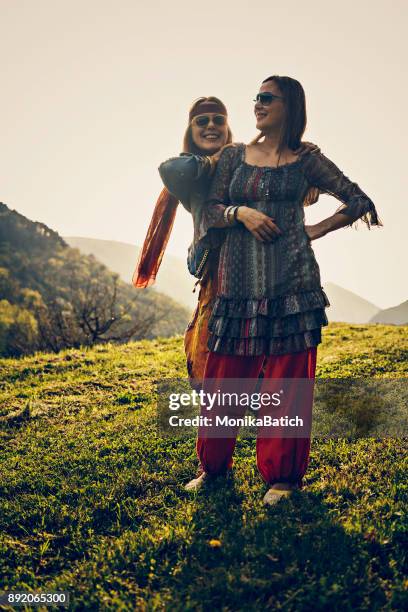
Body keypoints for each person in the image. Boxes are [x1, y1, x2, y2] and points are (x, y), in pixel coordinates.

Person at [185, 75, 382, 503]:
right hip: (235, 286)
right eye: (256, 97)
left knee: (287, 385)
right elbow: (210, 209)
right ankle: (213, 467)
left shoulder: (307, 160)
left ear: (289, 106)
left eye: (266, 98)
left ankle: (282, 479)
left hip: (293, 285)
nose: (257, 104)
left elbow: (357, 200)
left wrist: (315, 229)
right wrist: (242, 214)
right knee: (224, 383)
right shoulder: (233, 156)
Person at [139, 97, 321, 388]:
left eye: (218, 120)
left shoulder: (244, 163)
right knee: (218, 358)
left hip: (265, 268)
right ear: (190, 129)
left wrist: (305, 172)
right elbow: (171, 168)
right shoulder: (195, 173)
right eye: (202, 121)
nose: (211, 125)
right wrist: (220, 162)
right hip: (220, 273)